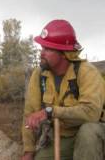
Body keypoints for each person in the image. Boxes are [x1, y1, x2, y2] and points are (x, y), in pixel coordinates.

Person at [22, 19, 105, 160]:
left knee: (88, 133)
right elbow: (29, 114)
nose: (41, 53)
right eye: (42, 48)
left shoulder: (86, 72)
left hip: (97, 133)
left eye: (48, 49)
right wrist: (28, 152)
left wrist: (51, 112)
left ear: (63, 54)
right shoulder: (39, 75)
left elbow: (91, 113)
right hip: (65, 136)